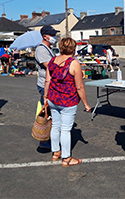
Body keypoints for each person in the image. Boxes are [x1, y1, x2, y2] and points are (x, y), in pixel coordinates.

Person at [43, 37, 91, 167]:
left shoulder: (53, 60)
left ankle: (56, 152)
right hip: (67, 100)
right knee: (65, 130)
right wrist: (86, 104)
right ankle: (66, 158)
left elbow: (47, 80)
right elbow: (79, 87)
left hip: (53, 98)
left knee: (55, 126)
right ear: (73, 49)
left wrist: (45, 96)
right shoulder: (73, 63)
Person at [35, 25, 58, 150]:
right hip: (45, 84)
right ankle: (44, 140)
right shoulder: (41, 50)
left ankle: (49, 137)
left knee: (51, 112)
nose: (54, 37)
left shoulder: (49, 48)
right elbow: (50, 65)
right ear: (45, 36)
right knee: (47, 113)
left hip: (49, 83)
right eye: (52, 35)